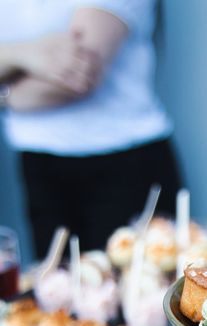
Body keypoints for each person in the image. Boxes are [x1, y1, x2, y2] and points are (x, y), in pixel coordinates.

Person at [0, 0, 181, 258]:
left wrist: (5, 88)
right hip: (37, 165)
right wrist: (27, 53)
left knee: (134, 289)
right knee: (56, 290)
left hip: (124, 164)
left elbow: (78, 73)